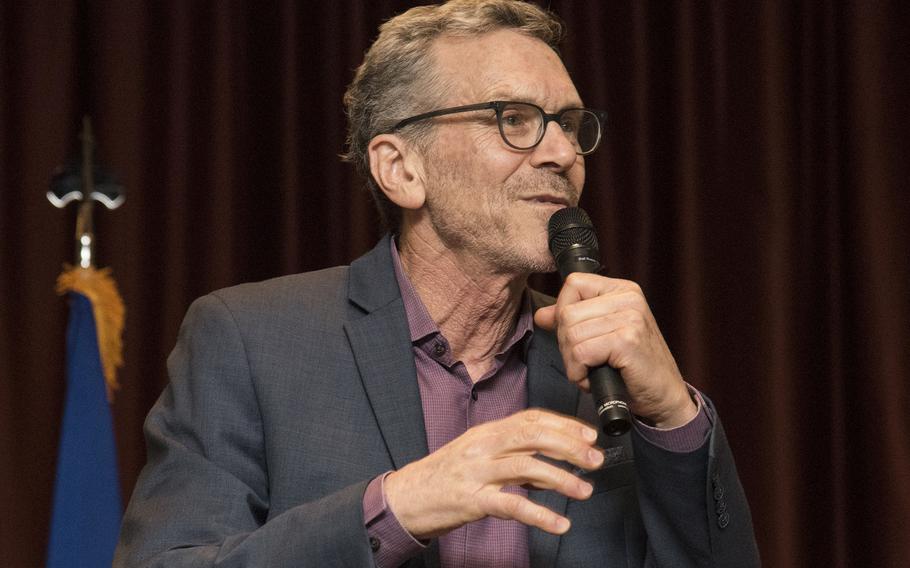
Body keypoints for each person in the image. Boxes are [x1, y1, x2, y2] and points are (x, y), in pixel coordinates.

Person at [114, 1, 760, 566]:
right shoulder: (252, 338)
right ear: (400, 169)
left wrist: (672, 415)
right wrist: (395, 507)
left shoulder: (606, 370)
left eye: (569, 123)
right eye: (514, 117)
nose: (562, 153)